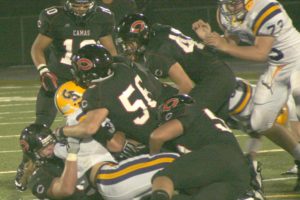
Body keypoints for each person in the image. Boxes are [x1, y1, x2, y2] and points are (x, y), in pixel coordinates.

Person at [192, 0, 300, 191]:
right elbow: (230, 43)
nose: (232, 5)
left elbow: (260, 53)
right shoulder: (223, 12)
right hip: (277, 69)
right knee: (259, 123)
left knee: (295, 118)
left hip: (295, 61)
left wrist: (223, 46)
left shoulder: (266, 9)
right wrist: (209, 38)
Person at [115, 13, 236, 120]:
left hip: (214, 80)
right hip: (218, 73)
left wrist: (169, 108)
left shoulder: (155, 54)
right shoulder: (160, 31)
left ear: (142, 37)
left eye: (130, 43)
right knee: (219, 122)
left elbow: (187, 86)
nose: (128, 48)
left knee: (181, 121)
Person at [54, 43, 177, 145]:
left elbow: (89, 128)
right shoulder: (121, 69)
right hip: (163, 118)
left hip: (150, 138)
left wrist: (60, 131)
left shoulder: (96, 93)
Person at [146, 94, 262, 200]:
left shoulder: (189, 111)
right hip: (240, 172)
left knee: (163, 177)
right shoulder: (205, 119)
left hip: (217, 156)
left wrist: (154, 158)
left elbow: (157, 137)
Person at [31, 0, 117, 127]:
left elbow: (111, 51)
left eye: (85, 5)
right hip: (58, 76)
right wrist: (44, 71)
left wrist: (114, 72)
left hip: (89, 79)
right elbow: (37, 48)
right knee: (42, 121)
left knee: (104, 122)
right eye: (77, 5)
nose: (81, 9)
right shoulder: (55, 17)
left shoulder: (103, 17)